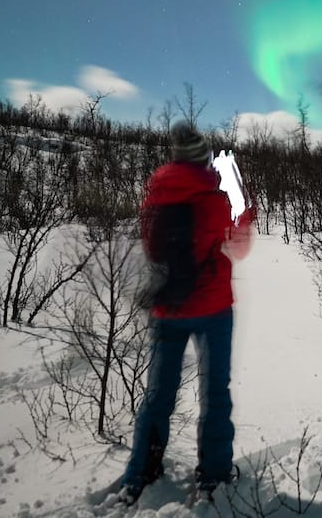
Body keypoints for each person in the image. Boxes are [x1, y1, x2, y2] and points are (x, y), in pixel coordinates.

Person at [120, 121, 255, 504]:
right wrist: (243, 205)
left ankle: (139, 474)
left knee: (158, 395)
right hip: (212, 307)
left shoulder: (155, 194)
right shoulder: (214, 197)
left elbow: (153, 251)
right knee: (214, 393)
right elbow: (239, 246)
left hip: (167, 306)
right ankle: (212, 475)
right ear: (204, 158)